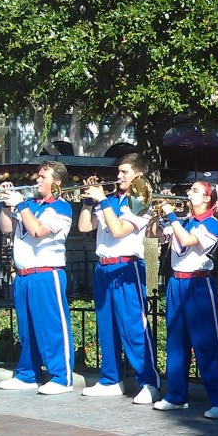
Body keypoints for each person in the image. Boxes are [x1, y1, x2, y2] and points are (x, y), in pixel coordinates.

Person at [77, 154, 160, 401]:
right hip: (104, 267)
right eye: (119, 171)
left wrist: (102, 200)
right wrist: (87, 201)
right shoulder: (111, 200)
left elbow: (118, 230)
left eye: (124, 172)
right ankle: (111, 379)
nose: (118, 176)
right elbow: (84, 227)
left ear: (139, 175)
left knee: (134, 326)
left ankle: (149, 382)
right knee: (107, 326)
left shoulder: (140, 201)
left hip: (127, 267)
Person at [153, 181, 218, 417]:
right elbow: (155, 235)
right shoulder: (184, 220)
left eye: (195, 191)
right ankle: (176, 395)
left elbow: (189, 241)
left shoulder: (210, 223)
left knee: (207, 342)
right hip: (176, 282)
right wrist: (151, 213)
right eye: (189, 190)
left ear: (208, 198)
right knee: (176, 341)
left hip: (199, 283)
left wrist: (170, 213)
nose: (189, 193)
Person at [0, 162, 77, 395]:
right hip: (23, 275)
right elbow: (6, 228)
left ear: (57, 182)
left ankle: (62, 377)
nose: (37, 180)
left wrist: (20, 205)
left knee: (52, 327)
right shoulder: (30, 205)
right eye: (38, 176)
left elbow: (37, 231)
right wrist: (5, 204)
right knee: (27, 329)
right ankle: (28, 374)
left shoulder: (61, 208)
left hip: (45, 273)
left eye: (43, 177)